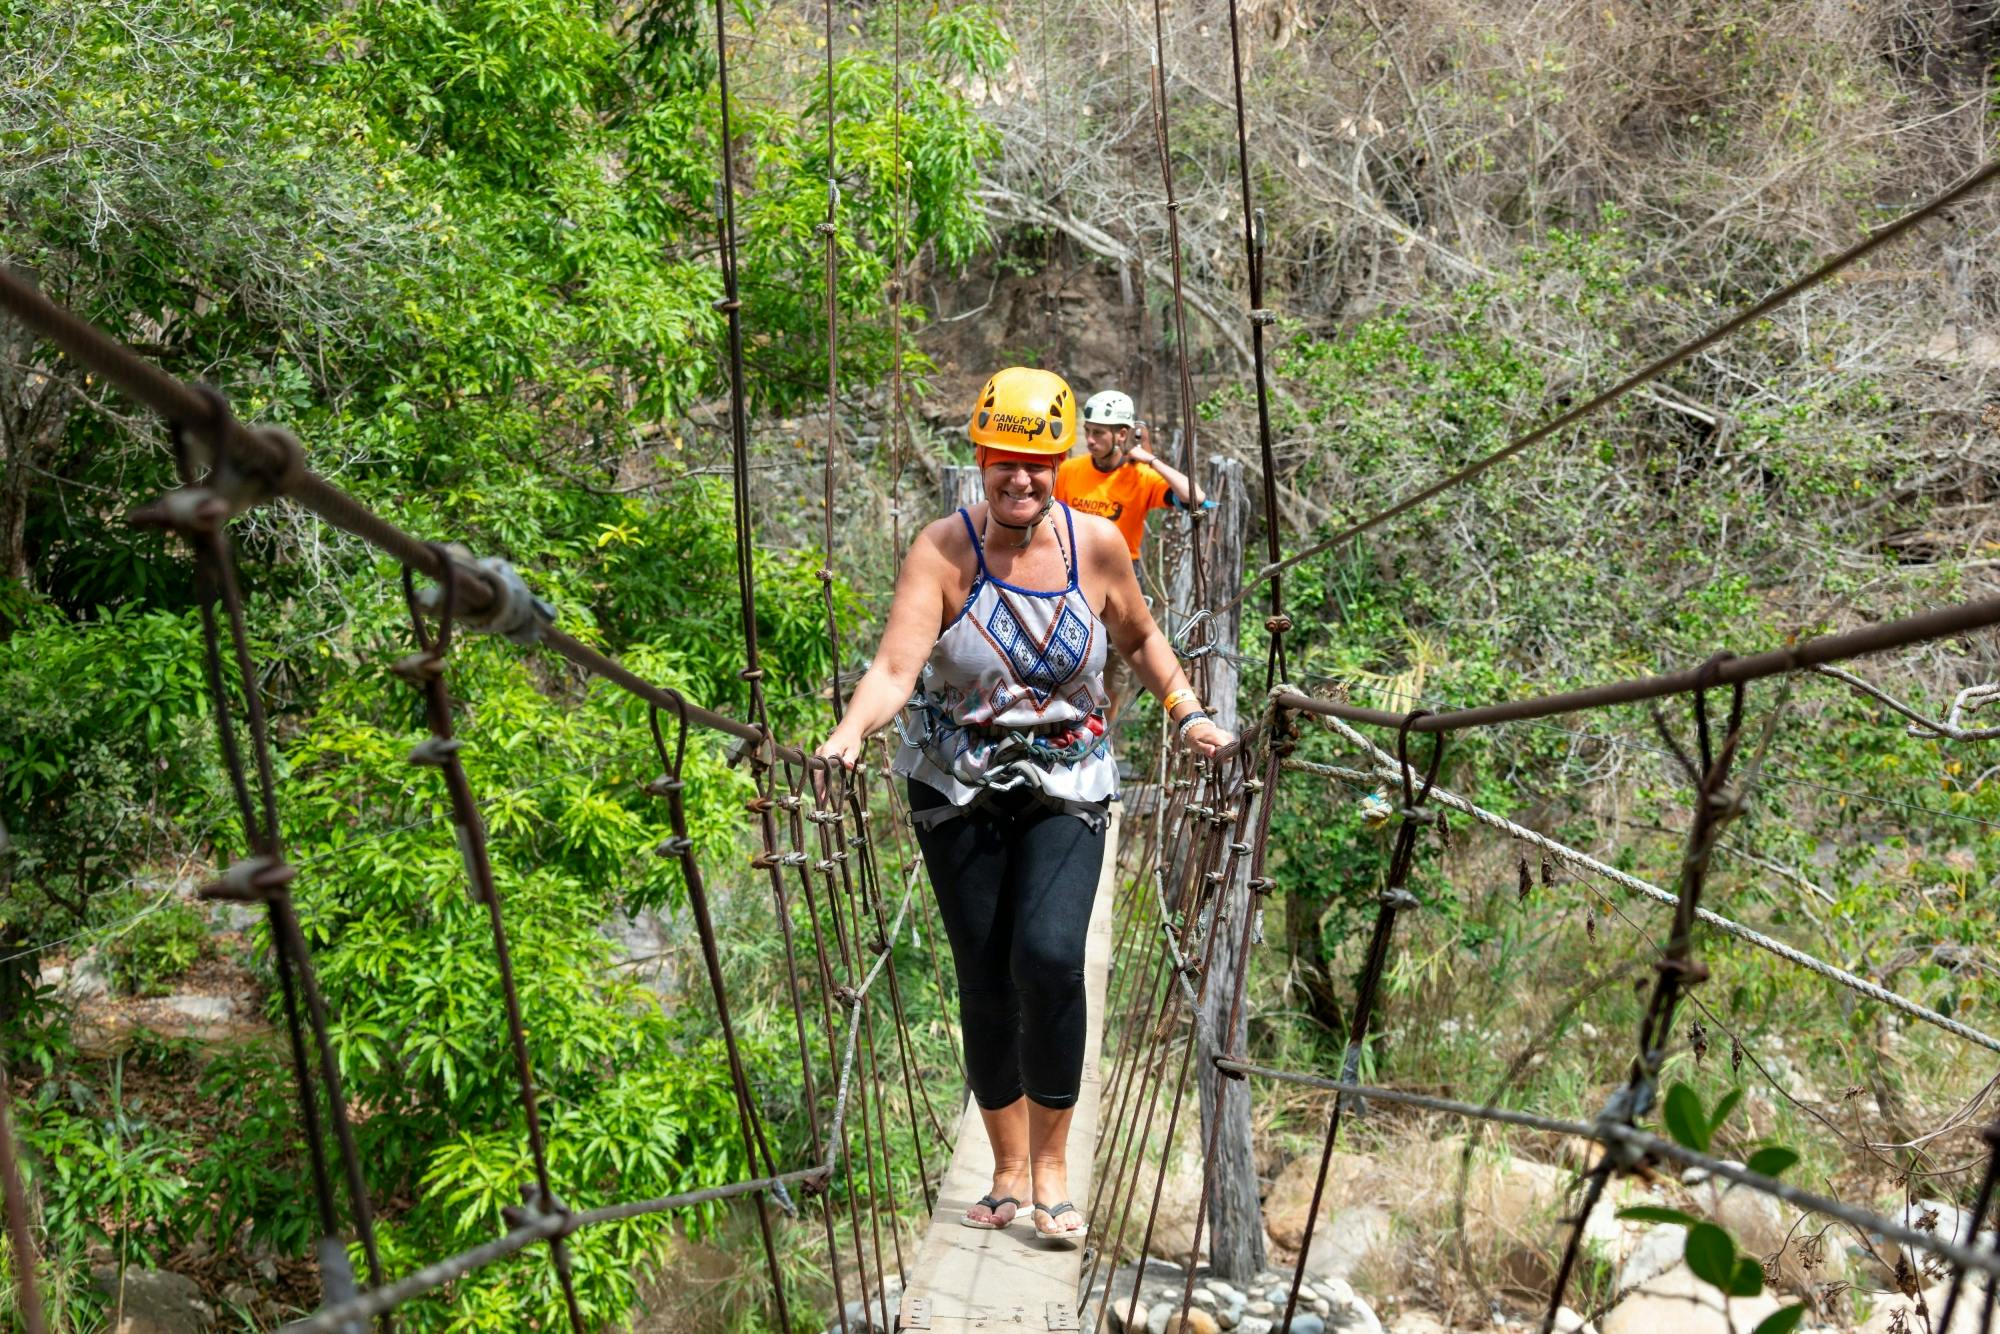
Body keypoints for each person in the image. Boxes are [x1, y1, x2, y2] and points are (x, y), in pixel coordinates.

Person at [814, 367, 1232, 1243]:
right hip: (955, 783)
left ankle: (1051, 1164)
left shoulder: (1097, 546)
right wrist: (850, 732)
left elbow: (1141, 637)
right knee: (986, 973)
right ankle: (1006, 1165)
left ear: (1061, 463)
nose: (1020, 478)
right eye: (1003, 459)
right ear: (979, 456)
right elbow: (896, 669)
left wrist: (1186, 710)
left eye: (1038, 462)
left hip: (1070, 779)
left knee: (1047, 958)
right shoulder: (943, 549)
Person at [1054, 389, 1206, 726]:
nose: (1089, 440)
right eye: (1088, 431)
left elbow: (1196, 498)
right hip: (1070, 573)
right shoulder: (1069, 472)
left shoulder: (1140, 477)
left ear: (1121, 434)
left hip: (1119, 576)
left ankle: (1100, 733)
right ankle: (1063, 725)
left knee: (1115, 664)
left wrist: (1148, 459)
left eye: (1098, 433)